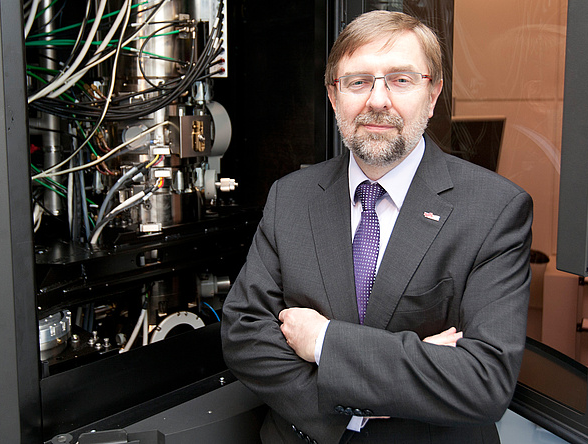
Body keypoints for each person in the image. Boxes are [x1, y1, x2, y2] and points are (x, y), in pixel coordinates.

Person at [221, 10, 532, 444]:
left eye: (401, 80)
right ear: (334, 95)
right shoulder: (290, 198)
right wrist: (365, 400)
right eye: (358, 81)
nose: (378, 100)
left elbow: (483, 381)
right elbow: (244, 334)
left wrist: (323, 341)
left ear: (433, 92)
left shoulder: (494, 210)